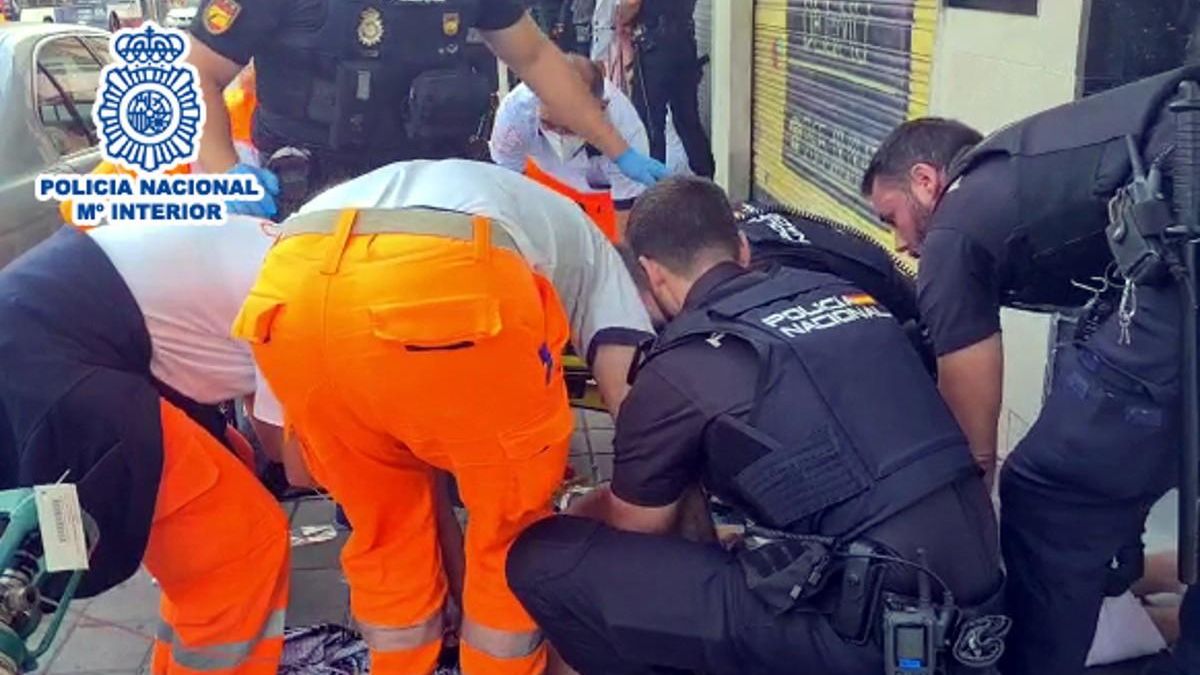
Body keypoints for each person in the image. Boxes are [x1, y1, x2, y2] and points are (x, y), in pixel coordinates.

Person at [505, 177, 1006, 675]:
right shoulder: (842, 293)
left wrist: (572, 507)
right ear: (742, 248)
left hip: (867, 634)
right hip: (982, 595)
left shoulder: (679, 367)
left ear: (651, 274)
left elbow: (640, 527)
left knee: (543, 559)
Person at [232, 158, 654, 675]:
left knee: (387, 534)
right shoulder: (602, 261)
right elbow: (639, 419)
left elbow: (296, 468)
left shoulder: (401, 190)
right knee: (511, 534)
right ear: (649, 282)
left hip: (290, 286)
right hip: (452, 281)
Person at [861, 70, 1200, 675]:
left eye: (891, 217)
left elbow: (974, 433)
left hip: (1185, 235)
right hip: (1181, 232)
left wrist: (960, 539)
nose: (901, 244)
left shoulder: (955, 229)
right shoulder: (1017, 172)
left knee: (1050, 494)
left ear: (925, 180)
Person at [0, 220, 293, 674]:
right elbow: (288, 457)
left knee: (230, 471)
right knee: (239, 549)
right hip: (58, 370)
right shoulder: (298, 301)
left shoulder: (289, 247)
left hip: (54, 329)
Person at [185, 0, 669, 220]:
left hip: (429, 195)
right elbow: (197, 73)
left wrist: (618, 150)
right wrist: (226, 174)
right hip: (309, 200)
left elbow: (536, 57)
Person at [490, 53, 652, 239]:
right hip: (542, 186)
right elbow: (508, 187)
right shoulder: (515, 114)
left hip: (605, 201)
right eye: (549, 124)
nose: (559, 135)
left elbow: (626, 215)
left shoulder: (625, 131)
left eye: (569, 127)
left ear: (601, 108)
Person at [621, 0, 714, 178]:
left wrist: (620, 18)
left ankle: (654, 188)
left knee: (651, 123)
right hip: (685, 45)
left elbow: (632, 3)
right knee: (688, 120)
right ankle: (707, 181)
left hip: (655, 48)